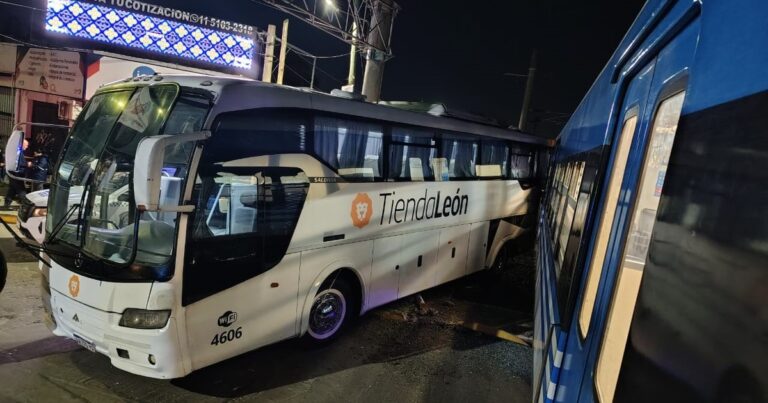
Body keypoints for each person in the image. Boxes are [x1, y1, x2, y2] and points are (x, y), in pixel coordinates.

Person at [3, 139, 28, 209]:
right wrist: (27, 164)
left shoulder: (18, 151)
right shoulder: (18, 152)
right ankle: (25, 206)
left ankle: (6, 205)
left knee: (12, 189)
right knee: (21, 190)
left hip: (14, 174)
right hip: (16, 174)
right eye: (26, 145)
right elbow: (18, 163)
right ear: (22, 144)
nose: (27, 147)